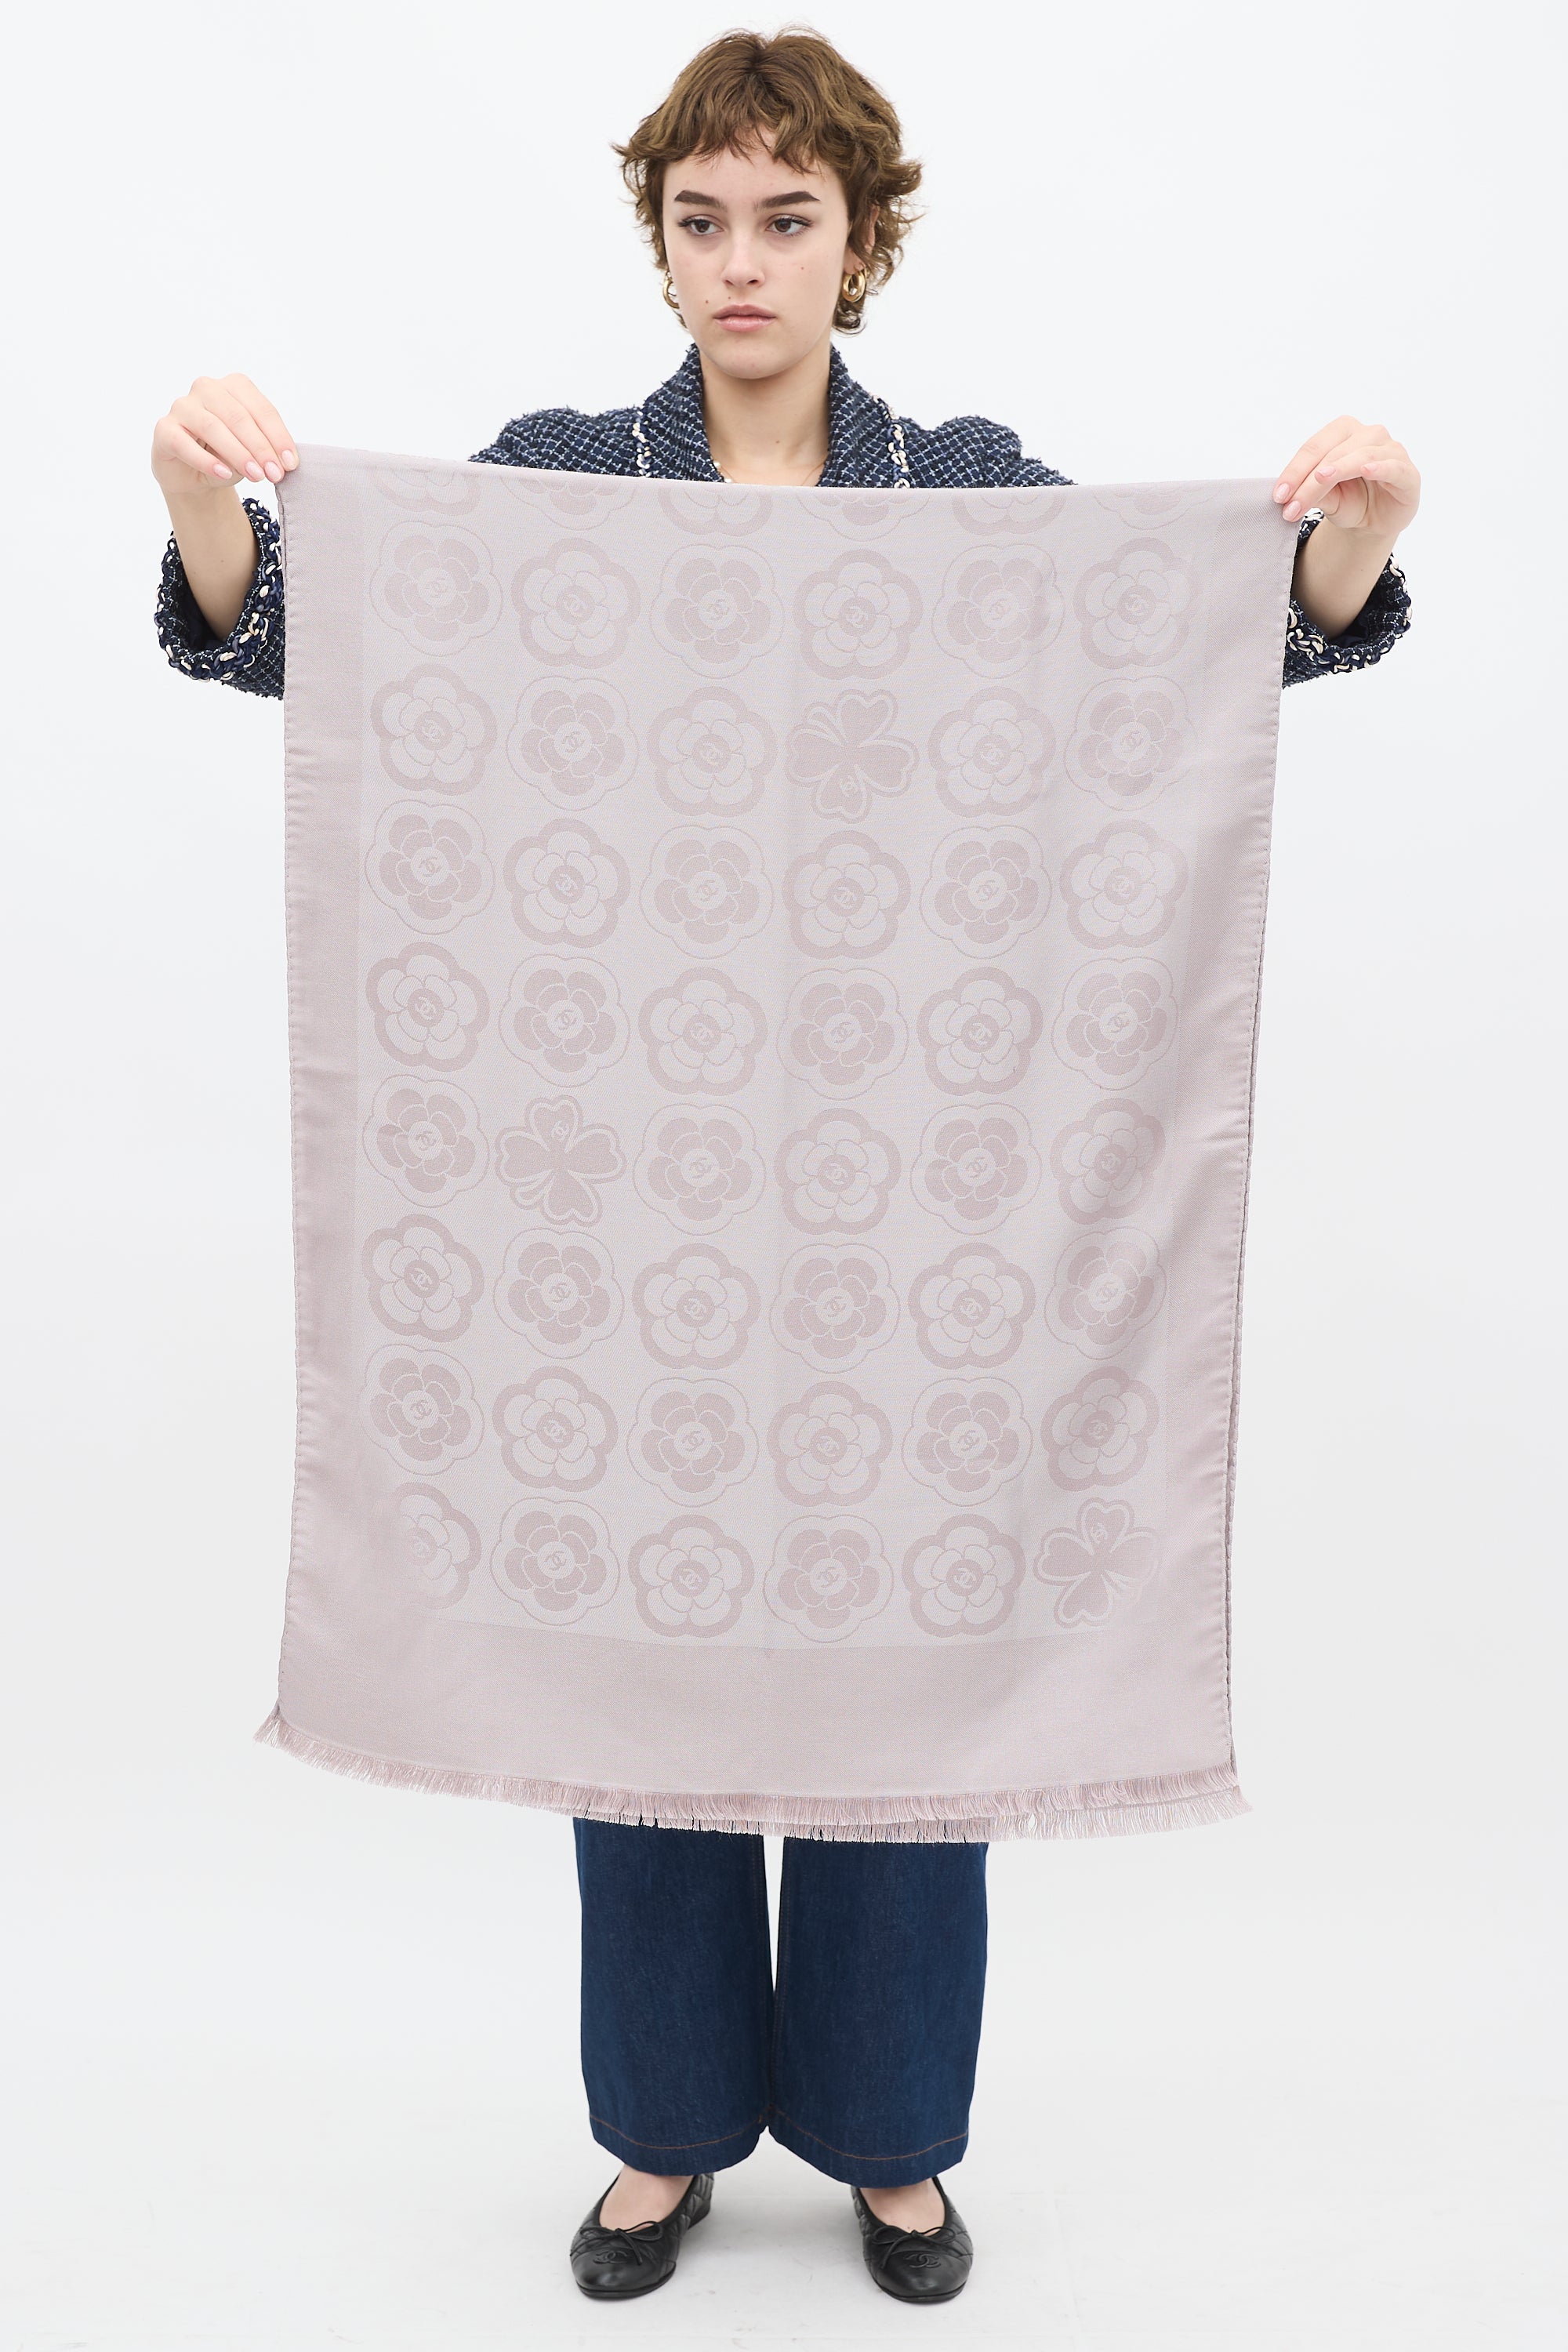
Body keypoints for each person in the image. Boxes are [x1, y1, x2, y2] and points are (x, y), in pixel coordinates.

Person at [150, 27, 1419, 2310]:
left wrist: (1349, 545)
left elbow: (1187, 660)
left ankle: (892, 2138)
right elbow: (310, 644)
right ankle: (661, 2131)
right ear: (658, 241)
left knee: (904, 1665)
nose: (743, 261)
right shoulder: (555, 485)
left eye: (789, 218)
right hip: (612, 1188)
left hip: (909, 1200)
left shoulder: (967, 493)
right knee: (629, 1669)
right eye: (703, 219)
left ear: (862, 238)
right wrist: (202, 496)